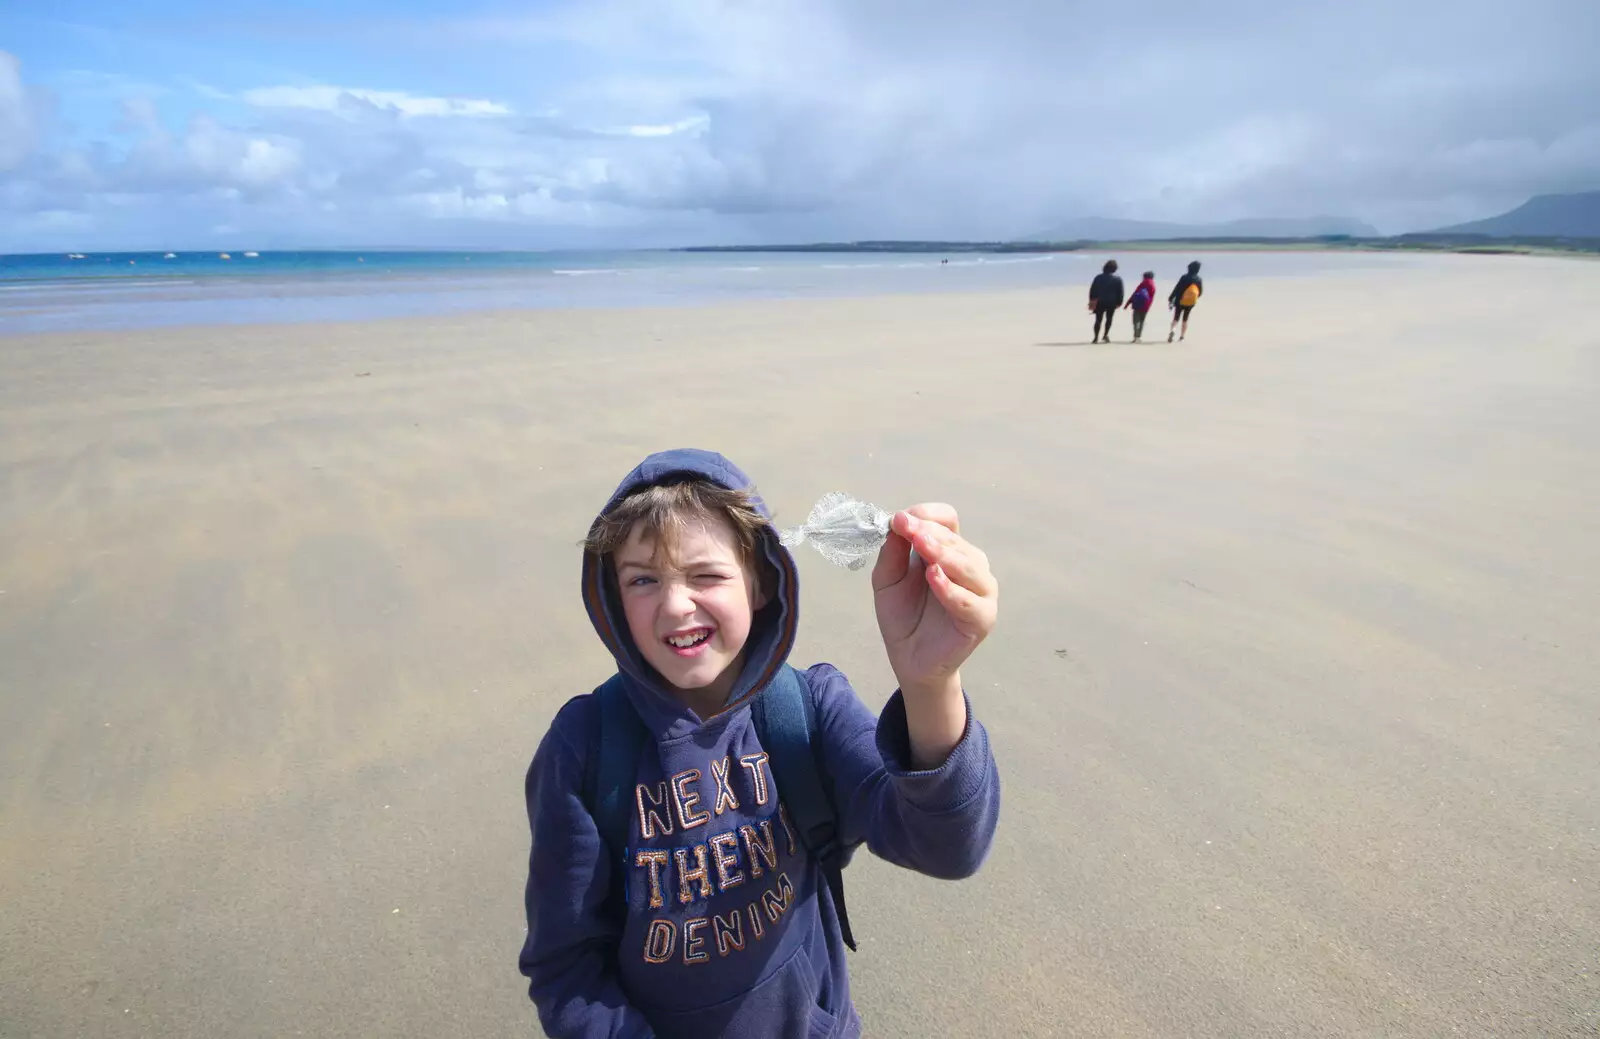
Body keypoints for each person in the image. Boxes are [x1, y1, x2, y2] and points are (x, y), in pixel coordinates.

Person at [519, 449, 1002, 1039]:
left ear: (760, 584)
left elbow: (947, 848)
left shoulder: (807, 709)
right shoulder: (585, 749)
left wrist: (931, 683)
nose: (675, 605)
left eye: (707, 574)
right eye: (642, 579)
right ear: (613, 598)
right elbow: (565, 965)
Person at [1087, 259, 1125, 343]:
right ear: (1114, 269)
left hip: (1099, 301)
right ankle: (1105, 335)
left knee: (1098, 320)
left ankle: (1095, 337)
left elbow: (1093, 290)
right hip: (1112, 302)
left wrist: (1091, 301)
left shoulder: (1098, 277)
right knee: (1109, 319)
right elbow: (1121, 292)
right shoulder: (1118, 279)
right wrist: (1120, 302)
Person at [1167, 260, 1204, 342]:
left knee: (1176, 317)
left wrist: (1170, 298)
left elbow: (1176, 289)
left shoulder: (1184, 277)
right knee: (1185, 319)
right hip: (1190, 302)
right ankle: (1182, 337)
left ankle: (1172, 331)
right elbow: (1200, 292)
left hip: (1180, 301)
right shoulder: (1199, 279)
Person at [1124, 270, 1157, 342]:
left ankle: (1135, 337)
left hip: (1137, 305)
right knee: (1142, 321)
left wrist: (1127, 304)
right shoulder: (1153, 285)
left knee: (1136, 321)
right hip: (1146, 306)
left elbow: (1135, 293)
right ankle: (1139, 337)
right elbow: (1151, 297)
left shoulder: (1143, 283)